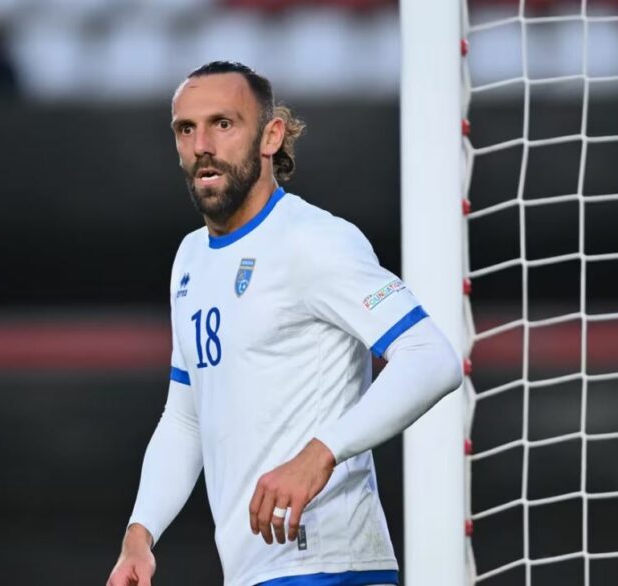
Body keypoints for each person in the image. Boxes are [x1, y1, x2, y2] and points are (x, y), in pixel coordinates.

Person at [106, 61, 462, 586]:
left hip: (330, 565)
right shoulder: (190, 259)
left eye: (223, 124)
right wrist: (140, 535)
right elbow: (185, 419)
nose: (202, 144)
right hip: (255, 571)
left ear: (271, 136)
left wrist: (320, 454)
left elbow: (431, 358)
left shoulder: (314, 241)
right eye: (186, 129)